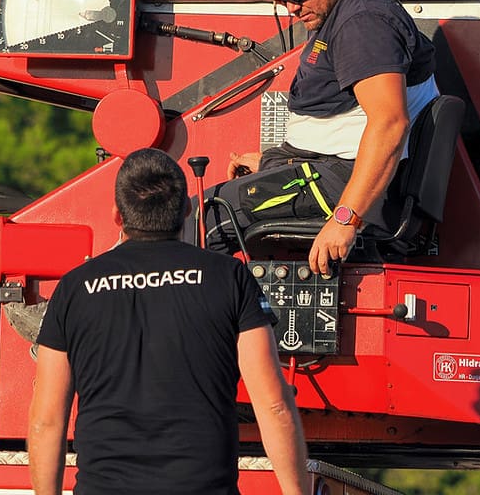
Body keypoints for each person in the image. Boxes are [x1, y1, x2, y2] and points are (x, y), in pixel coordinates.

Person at [28, 148, 309, 495]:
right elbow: (274, 404)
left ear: (118, 216)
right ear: (187, 210)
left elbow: (46, 422)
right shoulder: (229, 277)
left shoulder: (74, 288)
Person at [207, 0, 438, 276]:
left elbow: (390, 123)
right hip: (326, 168)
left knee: (203, 218)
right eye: (280, 0)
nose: (291, 10)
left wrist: (346, 217)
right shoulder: (347, 4)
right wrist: (273, 164)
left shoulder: (364, 24)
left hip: (339, 183)